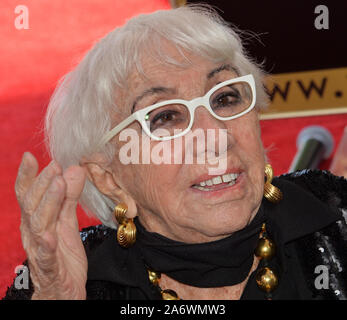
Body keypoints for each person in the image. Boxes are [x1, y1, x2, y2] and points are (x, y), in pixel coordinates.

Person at [4, 5, 347, 300]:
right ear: (109, 178)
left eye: (225, 97)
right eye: (165, 116)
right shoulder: (71, 279)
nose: (215, 136)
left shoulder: (334, 217)